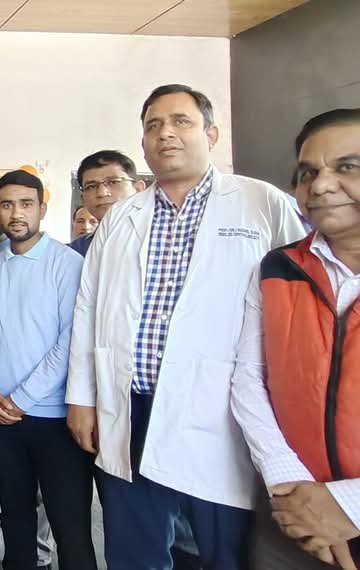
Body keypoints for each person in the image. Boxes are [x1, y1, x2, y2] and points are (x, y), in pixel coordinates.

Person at [65, 84, 307, 569]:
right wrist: (82, 398)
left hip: (220, 409)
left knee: (224, 548)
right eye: (153, 126)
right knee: (135, 548)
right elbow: (88, 310)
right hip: (131, 405)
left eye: (181, 122)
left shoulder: (261, 202)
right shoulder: (122, 217)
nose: (165, 134)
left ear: (211, 134)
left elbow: (299, 294)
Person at [232, 108, 360, 569]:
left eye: (348, 167)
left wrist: (347, 504)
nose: (321, 186)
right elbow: (249, 379)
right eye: (308, 173)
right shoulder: (278, 269)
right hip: (290, 514)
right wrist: (289, 487)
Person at [0, 170, 95, 570]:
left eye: (26, 204)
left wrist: (21, 398)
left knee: (69, 526)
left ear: (42, 208)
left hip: (56, 418)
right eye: (7, 205)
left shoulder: (67, 263)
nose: (16, 213)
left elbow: (70, 340)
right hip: (3, 417)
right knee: (15, 520)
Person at [68, 150, 145, 256]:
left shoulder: (158, 240)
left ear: (138, 189)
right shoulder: (74, 253)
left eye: (113, 182)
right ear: (83, 199)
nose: (102, 193)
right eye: (91, 186)